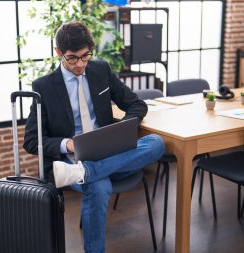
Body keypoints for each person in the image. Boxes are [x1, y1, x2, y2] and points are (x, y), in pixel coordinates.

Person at [23, 21, 164, 253]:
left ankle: (86, 172)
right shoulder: (44, 87)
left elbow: (136, 105)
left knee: (156, 143)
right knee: (98, 187)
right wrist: (67, 144)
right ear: (58, 52)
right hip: (72, 159)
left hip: (109, 152)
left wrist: (124, 130)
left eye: (85, 56)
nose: (80, 64)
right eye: (72, 58)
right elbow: (31, 140)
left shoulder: (101, 70)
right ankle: (86, 173)